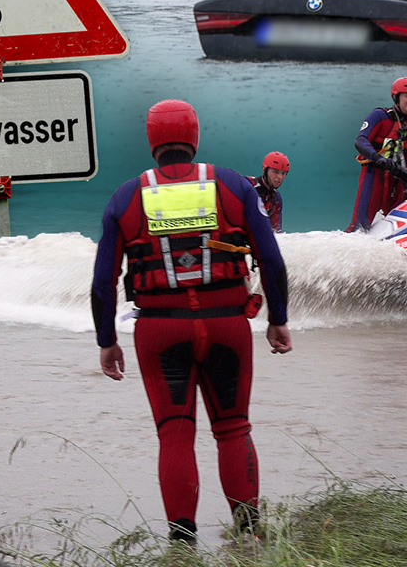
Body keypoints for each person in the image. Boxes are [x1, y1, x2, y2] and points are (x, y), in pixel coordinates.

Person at [90, 99, 292, 543]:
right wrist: (279, 318)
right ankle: (251, 536)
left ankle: (182, 546)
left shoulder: (126, 197)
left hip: (159, 332)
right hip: (226, 325)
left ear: (151, 140)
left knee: (175, 436)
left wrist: (107, 339)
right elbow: (272, 262)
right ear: (194, 136)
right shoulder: (235, 186)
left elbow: (103, 283)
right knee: (233, 427)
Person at [347, 77, 407, 232]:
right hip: (376, 176)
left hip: (401, 182)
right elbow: (360, 141)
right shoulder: (380, 116)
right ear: (396, 97)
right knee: (360, 226)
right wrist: (378, 158)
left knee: (399, 227)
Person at [246, 151, 289, 233]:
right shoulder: (247, 185)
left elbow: (276, 232)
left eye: (283, 173)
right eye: (275, 171)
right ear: (265, 170)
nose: (279, 177)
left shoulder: (276, 198)